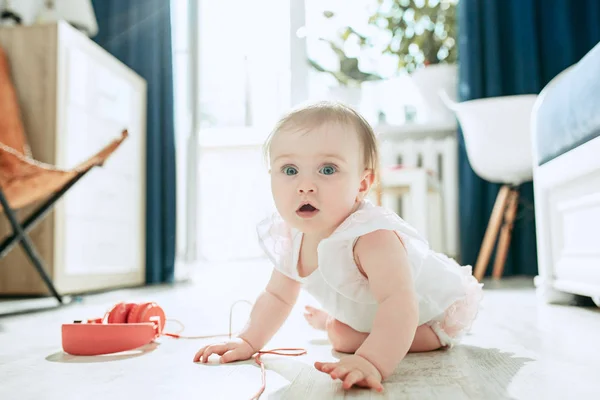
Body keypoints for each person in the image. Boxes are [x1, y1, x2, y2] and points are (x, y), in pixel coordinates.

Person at [193, 101, 483, 392]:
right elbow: (277, 296)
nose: (305, 185)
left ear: (362, 183)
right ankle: (334, 323)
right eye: (290, 169)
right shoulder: (292, 236)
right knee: (340, 337)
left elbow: (400, 303)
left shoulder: (371, 236)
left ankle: (340, 327)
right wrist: (247, 340)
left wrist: (371, 361)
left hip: (429, 315)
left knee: (374, 339)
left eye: (328, 169)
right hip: (373, 312)